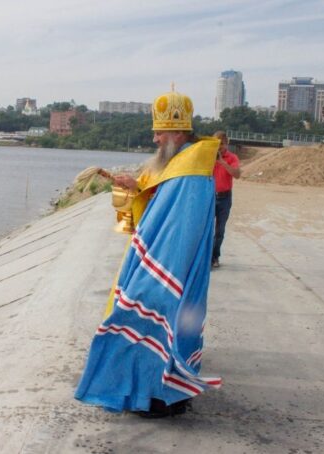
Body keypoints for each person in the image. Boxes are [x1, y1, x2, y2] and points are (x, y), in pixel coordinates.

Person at [74, 88, 222, 418]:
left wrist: (153, 272)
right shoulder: (183, 163)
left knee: (149, 317)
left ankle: (160, 398)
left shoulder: (190, 172)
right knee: (165, 327)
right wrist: (137, 188)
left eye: (159, 132)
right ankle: (158, 395)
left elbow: (178, 227)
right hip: (170, 261)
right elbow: (163, 208)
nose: (154, 139)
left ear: (177, 133)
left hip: (170, 265)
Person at [211, 131, 241, 268]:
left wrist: (222, 162)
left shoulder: (232, 157)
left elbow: (237, 174)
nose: (219, 147)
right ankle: (206, 256)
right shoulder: (208, 157)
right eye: (217, 144)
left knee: (219, 230)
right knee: (206, 229)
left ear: (227, 144)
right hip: (210, 197)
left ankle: (215, 256)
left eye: (222, 144)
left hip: (225, 198)